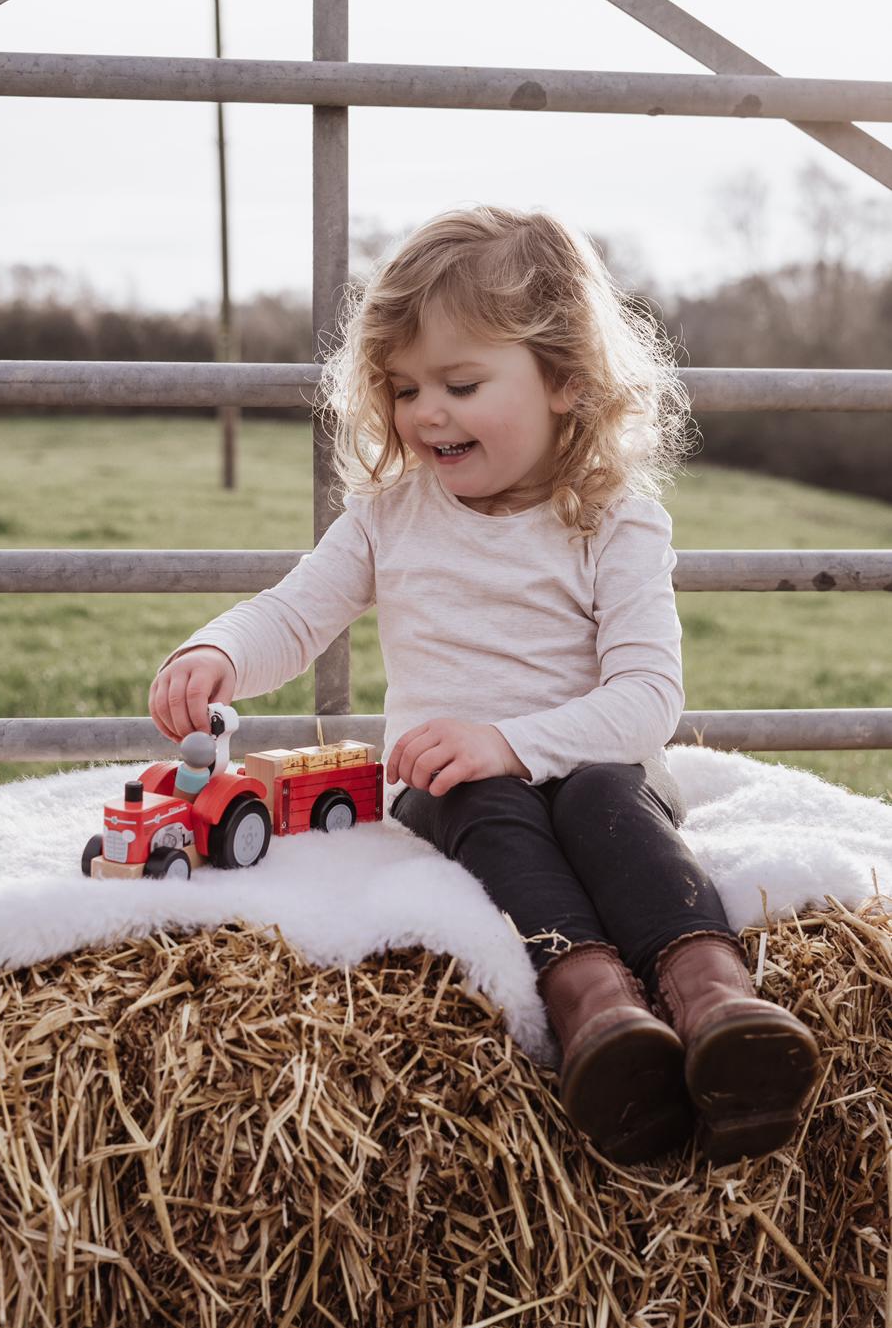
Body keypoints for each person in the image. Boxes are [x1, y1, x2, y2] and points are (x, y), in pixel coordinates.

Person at [148, 204, 819, 1168]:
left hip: (600, 774)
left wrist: (512, 737)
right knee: (487, 798)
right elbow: (294, 615)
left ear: (566, 382)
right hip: (452, 791)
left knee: (597, 794)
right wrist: (213, 651)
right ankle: (596, 1010)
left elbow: (647, 698)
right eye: (406, 387)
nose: (426, 413)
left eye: (461, 383)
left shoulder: (614, 520)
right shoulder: (391, 518)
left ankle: (715, 997)